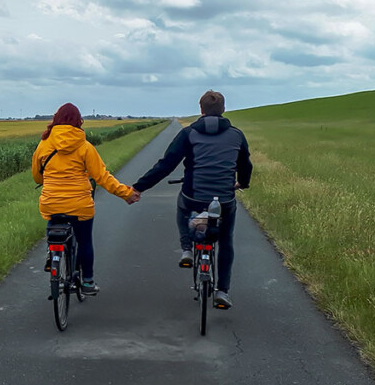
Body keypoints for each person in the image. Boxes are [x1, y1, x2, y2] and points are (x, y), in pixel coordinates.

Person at [130, 90, 252, 309]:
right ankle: (222, 291)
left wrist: (139, 187)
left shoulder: (188, 134)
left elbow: (166, 165)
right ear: (223, 110)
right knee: (226, 240)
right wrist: (242, 183)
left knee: (182, 205)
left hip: (193, 197)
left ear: (201, 110)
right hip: (224, 200)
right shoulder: (237, 135)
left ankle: (187, 247)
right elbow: (245, 166)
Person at [32, 103, 139, 294]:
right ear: (78, 121)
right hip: (79, 205)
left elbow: (37, 176)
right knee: (84, 242)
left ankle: (52, 253)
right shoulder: (85, 147)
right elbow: (102, 177)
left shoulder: (44, 145)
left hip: (51, 202)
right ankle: (88, 282)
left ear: (55, 119)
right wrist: (126, 193)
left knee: (53, 220)